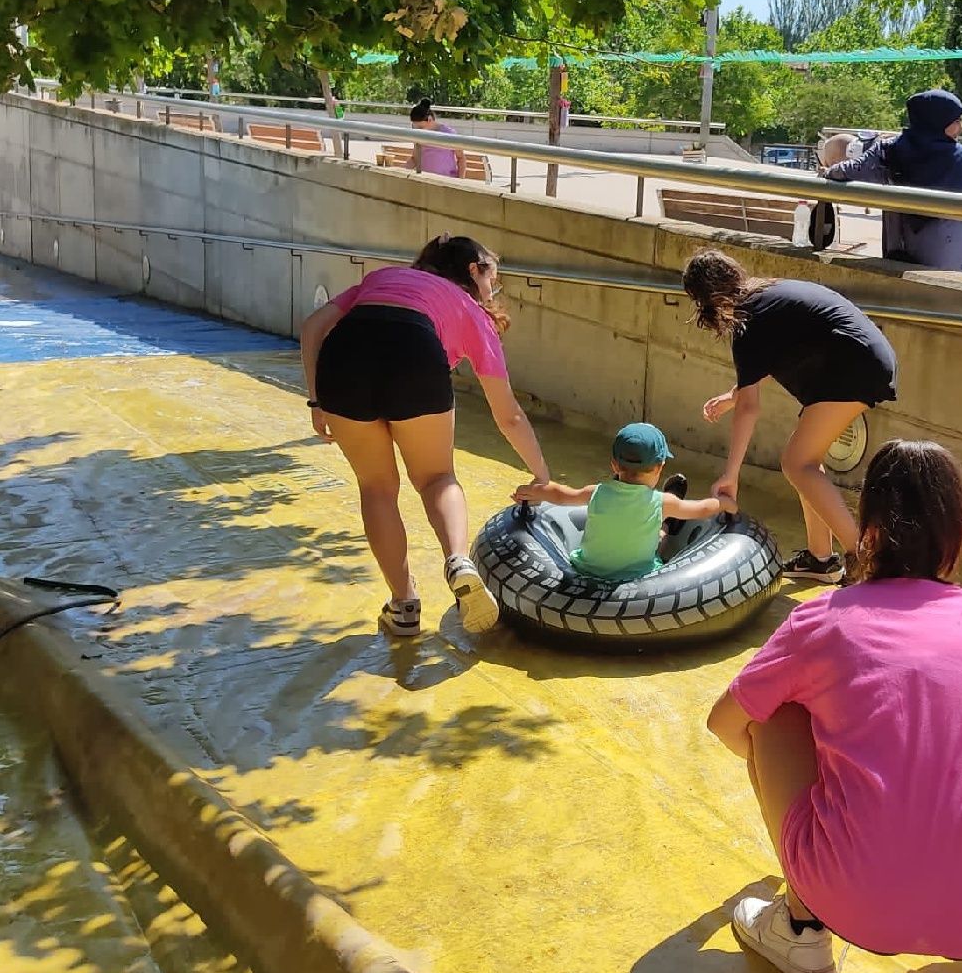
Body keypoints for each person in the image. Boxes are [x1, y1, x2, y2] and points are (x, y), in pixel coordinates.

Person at [706, 440, 962, 973]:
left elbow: (725, 722)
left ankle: (801, 928)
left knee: (771, 713)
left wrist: (813, 761)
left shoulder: (822, 621)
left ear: (868, 529)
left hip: (850, 897)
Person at [299, 234, 550, 638]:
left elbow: (313, 327)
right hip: (415, 351)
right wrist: (541, 475)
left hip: (344, 357)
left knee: (377, 488)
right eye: (493, 279)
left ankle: (403, 605)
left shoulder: (382, 278)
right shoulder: (469, 309)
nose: (493, 290)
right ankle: (457, 561)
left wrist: (316, 402)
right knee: (437, 479)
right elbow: (509, 416)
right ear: (474, 270)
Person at [683, 250, 897, 583]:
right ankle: (820, 559)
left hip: (855, 368)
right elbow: (774, 355)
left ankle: (866, 561)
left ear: (706, 300)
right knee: (807, 464)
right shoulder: (764, 295)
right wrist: (732, 394)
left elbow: (750, 408)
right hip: (864, 359)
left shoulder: (746, 319)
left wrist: (730, 474)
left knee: (796, 464)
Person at [513, 421, 729, 580]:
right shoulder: (662, 502)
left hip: (587, 572)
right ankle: (667, 524)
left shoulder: (595, 492)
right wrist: (725, 503)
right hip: (638, 577)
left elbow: (561, 495)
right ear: (659, 467)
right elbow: (701, 509)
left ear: (614, 465)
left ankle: (663, 523)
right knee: (660, 538)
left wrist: (534, 491)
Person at [824, 89, 962, 274]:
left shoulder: (888, 151)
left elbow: (844, 172)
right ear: (937, 120)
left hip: (900, 257)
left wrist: (826, 174)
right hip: (955, 264)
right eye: (956, 121)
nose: (961, 129)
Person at [410, 98, 460, 178]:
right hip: (425, 180)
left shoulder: (449, 134)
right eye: (414, 128)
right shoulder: (418, 135)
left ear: (429, 120)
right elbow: (414, 159)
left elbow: (461, 158)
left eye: (420, 128)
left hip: (446, 181)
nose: (417, 131)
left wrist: (460, 183)